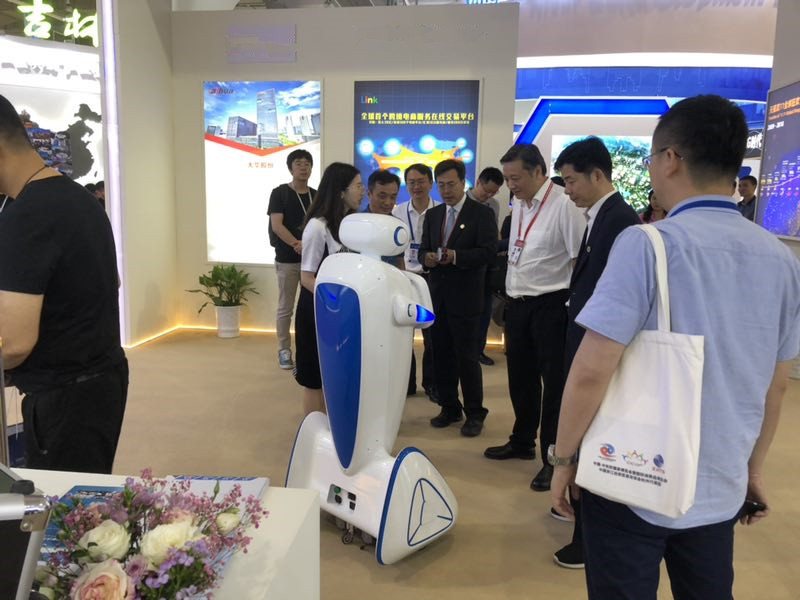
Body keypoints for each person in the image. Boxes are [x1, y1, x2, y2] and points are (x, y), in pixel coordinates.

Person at [550, 95, 800, 600]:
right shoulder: (782, 260)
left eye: (651, 158)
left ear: (670, 159)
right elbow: (776, 384)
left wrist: (564, 458)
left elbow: (592, 369)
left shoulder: (647, 244)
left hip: (633, 475)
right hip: (720, 481)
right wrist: (752, 469)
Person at [0, 94, 127, 474]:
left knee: (61, 503)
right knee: (83, 494)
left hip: (64, 395)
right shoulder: (78, 198)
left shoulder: (26, 215)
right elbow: (111, 282)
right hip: (101, 380)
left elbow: (15, 344)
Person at [549, 136, 641, 569]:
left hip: (597, 348)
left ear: (597, 174)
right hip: (584, 338)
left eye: (571, 181)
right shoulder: (600, 217)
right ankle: (580, 520)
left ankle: (588, 540)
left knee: (592, 440)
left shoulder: (620, 221)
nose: (567, 190)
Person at [483, 144, 584, 494]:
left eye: (516, 178)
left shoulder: (564, 205)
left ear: (538, 171)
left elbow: (577, 262)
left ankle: (552, 459)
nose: (510, 185)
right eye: (507, 178)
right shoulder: (521, 205)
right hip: (519, 305)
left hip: (551, 307)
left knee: (553, 386)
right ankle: (522, 440)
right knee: (521, 378)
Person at [419, 159, 497, 437]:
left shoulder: (481, 214)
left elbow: (489, 252)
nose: (446, 190)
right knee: (440, 356)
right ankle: (449, 407)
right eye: (441, 185)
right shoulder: (433, 214)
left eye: (451, 184)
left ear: (463, 183)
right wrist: (427, 258)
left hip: (466, 299)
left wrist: (456, 256)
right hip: (438, 298)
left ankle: (475, 413)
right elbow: (422, 250)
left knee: (467, 358)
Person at [295, 162, 362, 416]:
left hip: (341, 312)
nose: (362, 191)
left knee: (334, 375)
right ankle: (313, 430)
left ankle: (333, 429)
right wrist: (334, 301)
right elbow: (306, 277)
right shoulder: (317, 226)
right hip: (317, 310)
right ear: (341, 191)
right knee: (314, 378)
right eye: (358, 186)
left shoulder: (350, 225)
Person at [392, 164, 439, 401]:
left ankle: (431, 383)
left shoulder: (440, 211)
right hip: (403, 277)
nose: (416, 186)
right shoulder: (397, 212)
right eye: (411, 182)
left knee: (432, 335)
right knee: (402, 334)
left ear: (430, 183)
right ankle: (406, 383)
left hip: (432, 278)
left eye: (421, 181)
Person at [268, 149, 316, 370]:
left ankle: (309, 348)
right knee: (286, 307)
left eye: (307, 163)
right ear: (290, 168)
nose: (303, 167)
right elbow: (277, 226)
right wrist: (297, 244)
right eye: (298, 163)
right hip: (287, 259)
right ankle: (284, 349)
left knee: (310, 308)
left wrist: (308, 247)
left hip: (311, 262)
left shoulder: (316, 195)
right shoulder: (280, 193)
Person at [467, 167, 504, 367]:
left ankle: (478, 350)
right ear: (478, 182)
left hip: (487, 266)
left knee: (484, 311)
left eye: (493, 193)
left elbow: (495, 233)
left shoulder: (494, 205)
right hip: (465, 266)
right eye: (486, 191)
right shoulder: (462, 201)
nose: (489, 196)